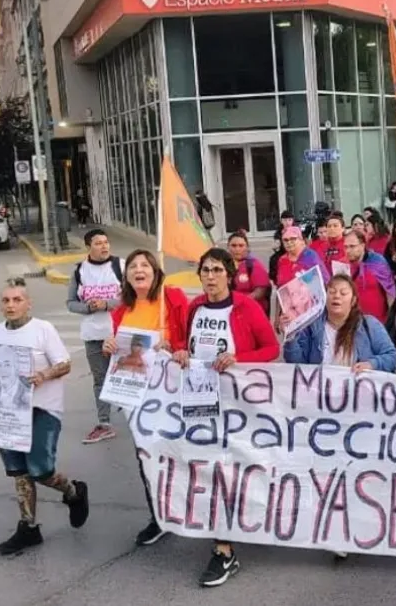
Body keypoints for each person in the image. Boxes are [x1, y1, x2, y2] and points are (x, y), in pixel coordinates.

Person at [171, 247, 280, 587]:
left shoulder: (245, 306)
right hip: (202, 406)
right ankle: (224, 550)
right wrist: (180, 352)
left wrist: (238, 358)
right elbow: (184, 344)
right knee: (212, 473)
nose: (210, 276)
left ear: (229, 275)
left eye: (217, 270)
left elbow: (272, 348)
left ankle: (247, 526)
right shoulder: (195, 307)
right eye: (205, 270)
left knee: (239, 473)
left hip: (240, 408)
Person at [0, 277, 89, 556]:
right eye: (6, 300)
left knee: (40, 469)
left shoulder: (42, 329)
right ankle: (28, 527)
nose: (11, 305)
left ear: (28, 302)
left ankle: (73, 492)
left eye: (17, 299)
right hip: (9, 411)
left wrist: (44, 375)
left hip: (43, 409)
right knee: (19, 473)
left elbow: (65, 363)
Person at [106, 249, 189, 548]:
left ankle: (189, 509)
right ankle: (159, 516)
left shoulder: (173, 298)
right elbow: (122, 355)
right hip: (139, 398)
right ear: (126, 276)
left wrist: (176, 346)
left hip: (173, 392)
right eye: (132, 266)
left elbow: (190, 339)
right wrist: (111, 345)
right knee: (146, 456)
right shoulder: (120, 312)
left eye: (145, 265)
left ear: (155, 272)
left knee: (181, 452)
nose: (138, 269)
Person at [66, 228, 124, 444]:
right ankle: (104, 422)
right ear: (88, 246)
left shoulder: (121, 266)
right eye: (99, 243)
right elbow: (70, 303)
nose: (104, 247)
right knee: (100, 379)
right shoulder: (79, 271)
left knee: (130, 377)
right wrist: (89, 308)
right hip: (93, 335)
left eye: (106, 242)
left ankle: (139, 417)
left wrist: (108, 304)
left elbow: (133, 296)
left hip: (120, 333)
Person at [284, 273, 396, 372]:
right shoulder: (311, 326)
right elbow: (296, 363)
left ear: (353, 301)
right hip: (321, 393)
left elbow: (392, 356)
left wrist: (372, 364)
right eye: (332, 292)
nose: (336, 296)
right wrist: (291, 337)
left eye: (343, 293)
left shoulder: (369, 324)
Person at [343, 230, 396, 322]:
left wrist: (391, 321)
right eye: (346, 247)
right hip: (353, 322)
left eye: (352, 246)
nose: (348, 250)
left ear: (362, 245)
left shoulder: (378, 261)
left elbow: (390, 292)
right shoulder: (342, 265)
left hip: (378, 321)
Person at [228, 231, 271, 315]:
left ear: (247, 247)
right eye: (233, 246)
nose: (237, 249)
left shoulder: (254, 265)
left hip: (252, 312)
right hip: (231, 312)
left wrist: (241, 302)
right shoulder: (223, 265)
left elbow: (260, 291)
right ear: (228, 247)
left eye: (241, 245)